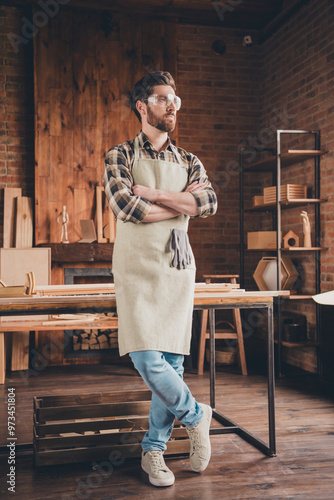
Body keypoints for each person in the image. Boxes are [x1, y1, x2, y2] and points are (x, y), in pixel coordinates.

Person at [103, 71, 218, 487]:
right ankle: (196, 414)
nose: (173, 106)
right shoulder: (119, 155)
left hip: (175, 266)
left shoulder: (188, 160)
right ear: (142, 106)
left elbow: (208, 201)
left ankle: (153, 450)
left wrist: (152, 195)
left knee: (170, 362)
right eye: (164, 98)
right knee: (146, 356)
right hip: (135, 267)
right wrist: (180, 206)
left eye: (176, 99)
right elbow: (125, 208)